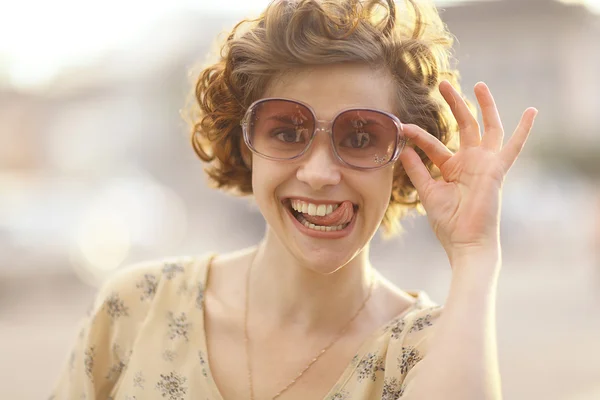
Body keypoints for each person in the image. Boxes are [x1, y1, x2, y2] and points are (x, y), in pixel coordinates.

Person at [49, 0, 537, 399]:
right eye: (286, 131)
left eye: (361, 138)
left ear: (403, 160)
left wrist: (474, 255)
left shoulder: (427, 350)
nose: (320, 173)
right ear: (245, 142)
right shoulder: (136, 307)